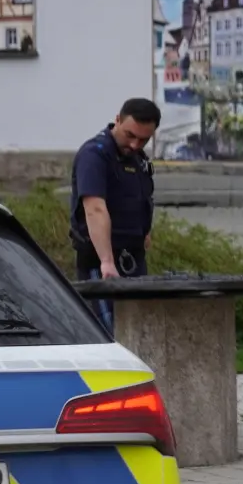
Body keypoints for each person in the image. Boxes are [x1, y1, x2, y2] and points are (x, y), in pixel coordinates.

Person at [70, 97, 160, 332]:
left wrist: (144, 233)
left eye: (143, 139)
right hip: (101, 265)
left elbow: (141, 199)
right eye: (130, 135)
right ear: (117, 120)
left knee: (138, 333)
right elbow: (95, 208)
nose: (134, 144)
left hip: (134, 260)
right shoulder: (95, 155)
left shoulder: (138, 159)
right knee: (111, 335)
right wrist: (106, 262)